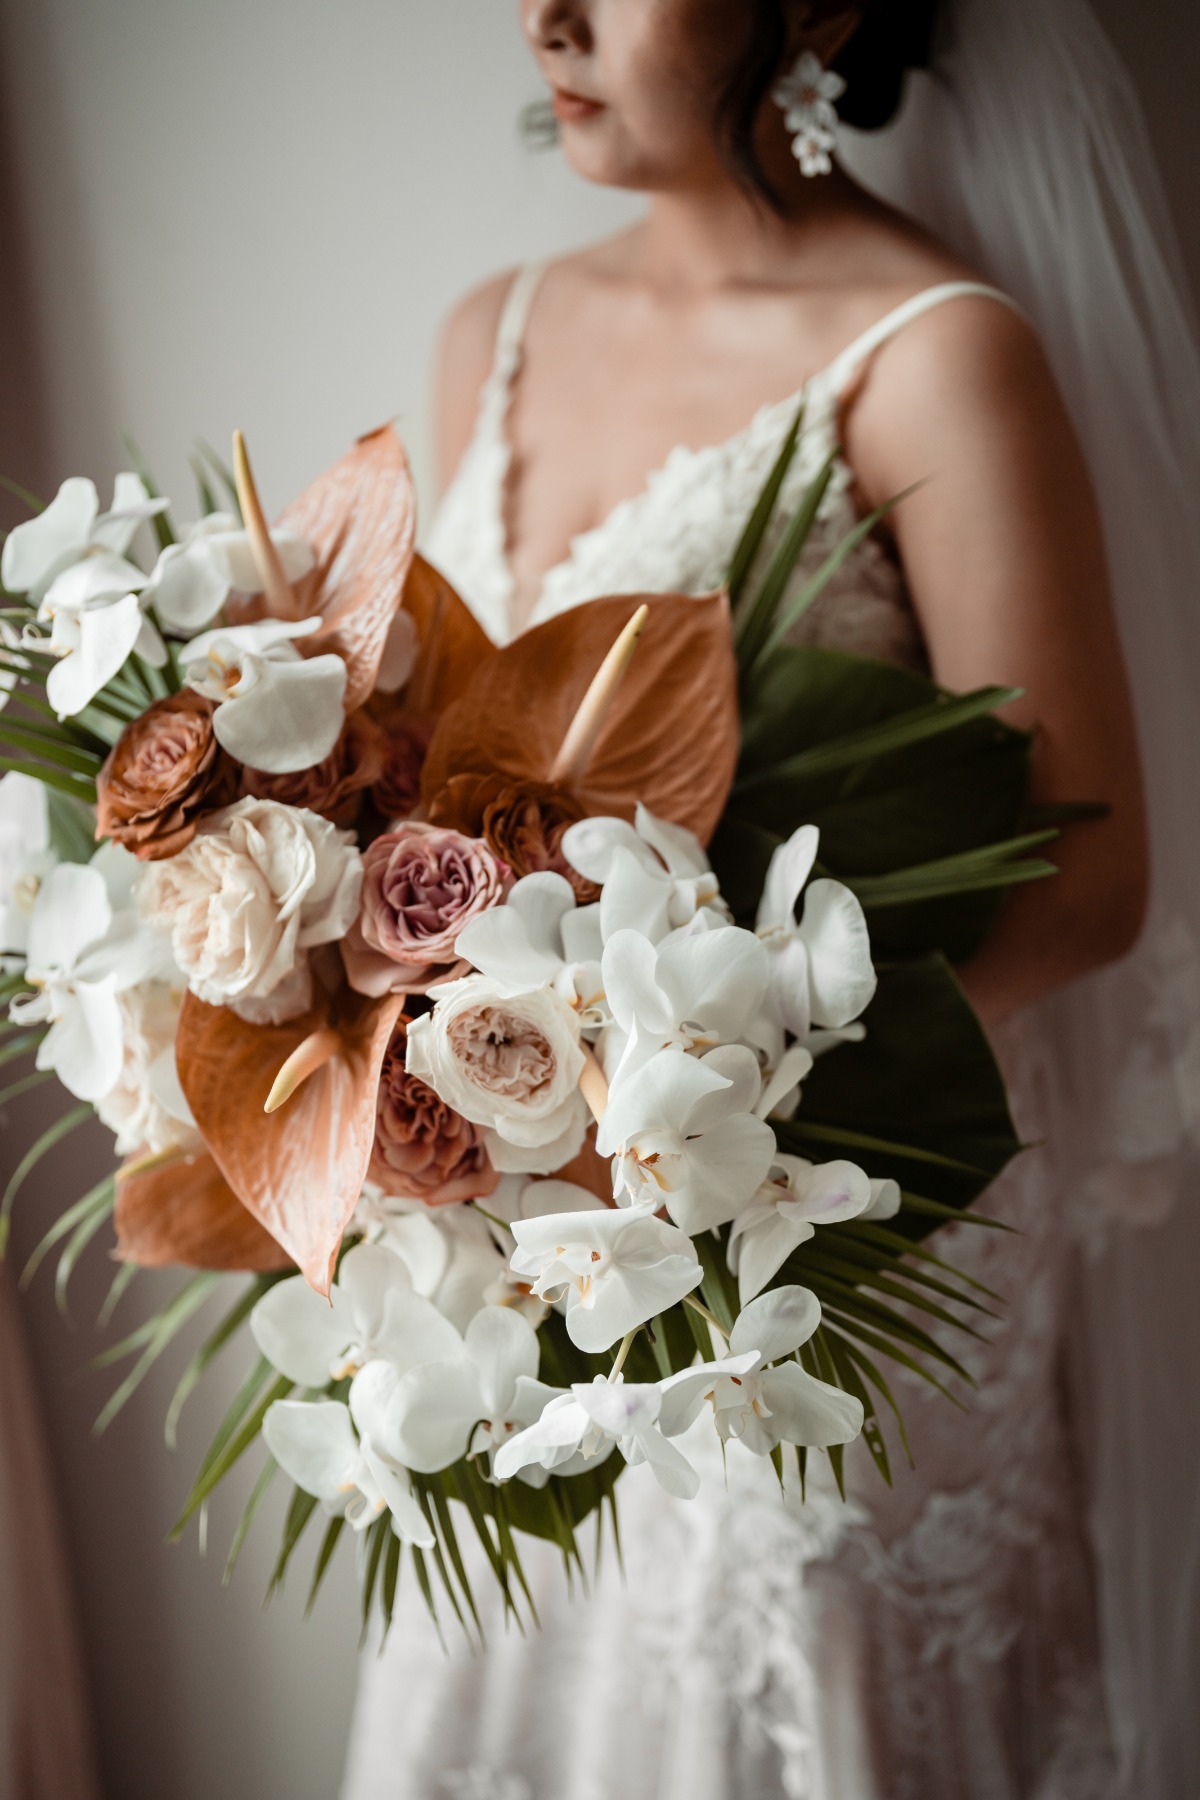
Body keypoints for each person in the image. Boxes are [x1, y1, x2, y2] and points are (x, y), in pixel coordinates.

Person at [342, 3, 1200, 1794]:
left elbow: (1095, 879)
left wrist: (715, 1094)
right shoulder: (488, 332)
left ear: (811, 3)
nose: (548, 16)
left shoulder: (936, 358)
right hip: (528, 1255)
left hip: (827, 1245)